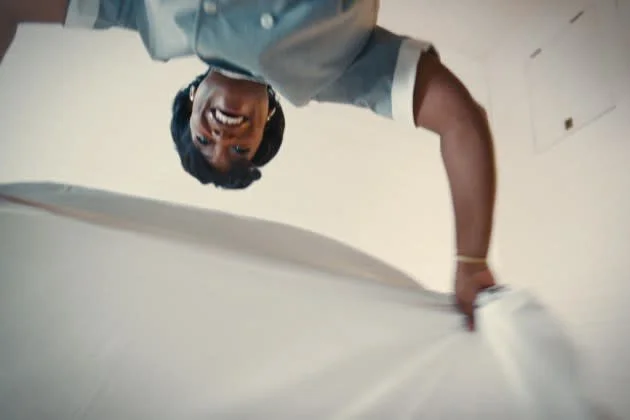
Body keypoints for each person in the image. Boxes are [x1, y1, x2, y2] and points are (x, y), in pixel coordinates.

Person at [0, 0, 498, 329]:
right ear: (267, 122)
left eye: (203, 140)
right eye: (240, 151)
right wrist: (471, 261)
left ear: (192, 99)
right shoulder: (336, 74)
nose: (223, 139)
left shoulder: (148, 16)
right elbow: (459, 121)